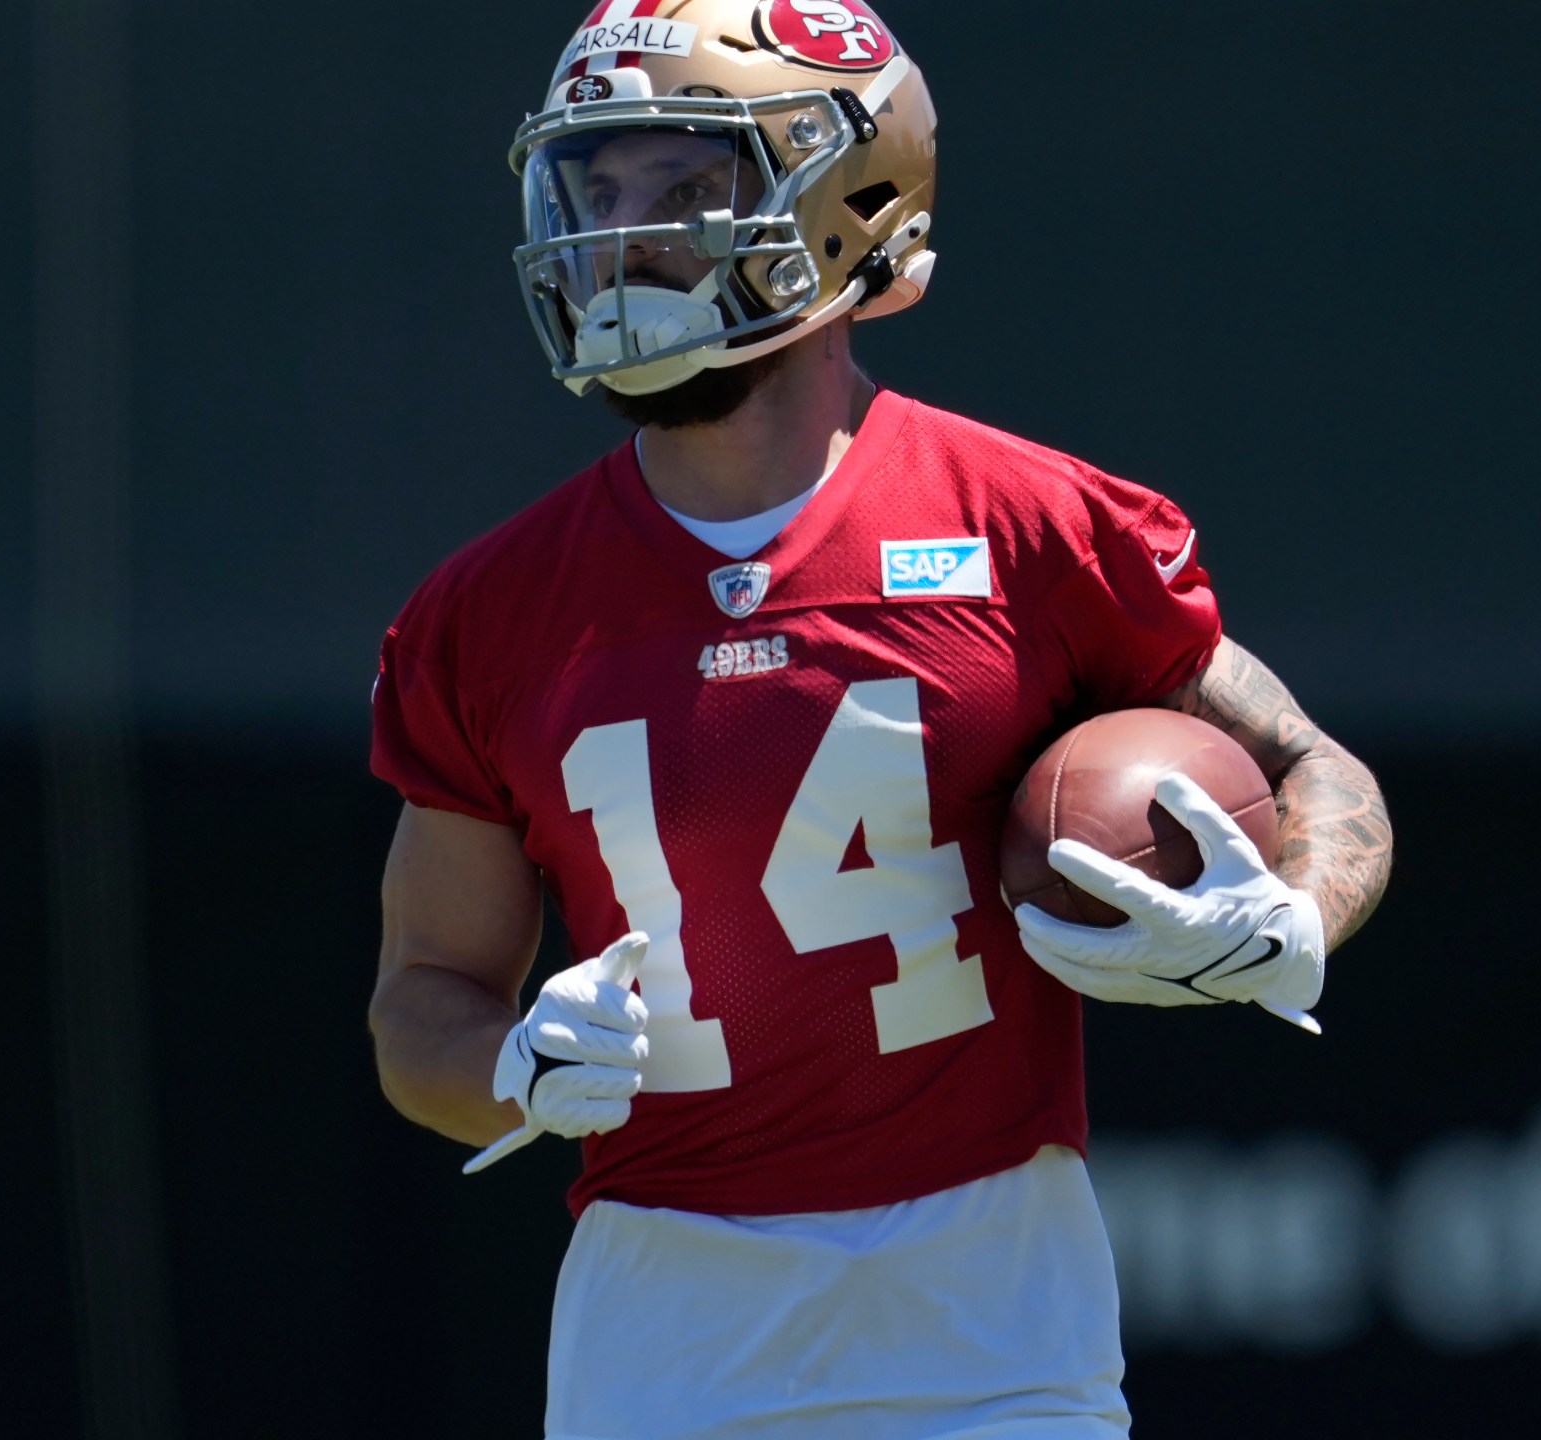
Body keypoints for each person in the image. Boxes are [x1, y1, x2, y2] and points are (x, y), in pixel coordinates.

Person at [367, 3, 1393, 1435]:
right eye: (595, 190)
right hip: (664, 1334)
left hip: (993, 1319)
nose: (619, 236)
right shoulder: (486, 614)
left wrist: (1291, 913)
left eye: (682, 184)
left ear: (849, 207)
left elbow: (1308, 765)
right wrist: (513, 1069)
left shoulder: (1028, 526)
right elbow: (421, 1002)